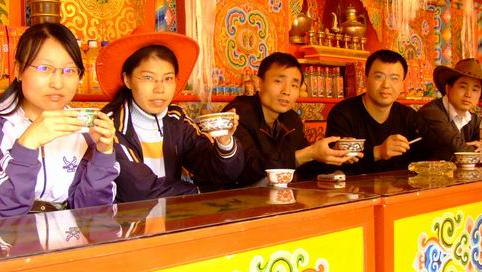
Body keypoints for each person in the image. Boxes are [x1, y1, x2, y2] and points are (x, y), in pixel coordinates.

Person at [0, 23, 119, 222]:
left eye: (69, 70)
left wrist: (103, 154)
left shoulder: (86, 131)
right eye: (44, 68)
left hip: (61, 233)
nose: (57, 83)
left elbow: (93, 213)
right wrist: (28, 144)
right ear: (19, 70)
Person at [98, 31, 244, 201]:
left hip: (172, 214)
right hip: (125, 217)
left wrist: (224, 143)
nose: (160, 89)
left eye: (168, 79)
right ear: (127, 80)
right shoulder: (109, 125)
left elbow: (218, 170)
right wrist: (200, 191)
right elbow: (140, 190)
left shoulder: (176, 119)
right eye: (148, 77)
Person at [223, 52, 351, 186]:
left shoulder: (291, 119)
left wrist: (333, 153)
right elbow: (248, 169)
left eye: (294, 85)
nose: (286, 91)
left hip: (278, 194)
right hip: (239, 195)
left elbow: (306, 167)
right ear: (259, 83)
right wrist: (305, 154)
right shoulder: (237, 115)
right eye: (278, 81)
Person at [326, 49, 430, 174]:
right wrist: (378, 152)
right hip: (354, 186)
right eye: (379, 77)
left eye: (394, 78)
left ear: (402, 84)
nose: (386, 85)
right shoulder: (343, 113)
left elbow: (431, 154)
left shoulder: (409, 117)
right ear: (366, 79)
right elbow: (335, 166)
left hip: (401, 186)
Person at [417, 58, 482, 160]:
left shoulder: (472, 119)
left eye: (475, 90)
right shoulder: (432, 113)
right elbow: (458, 149)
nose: (468, 94)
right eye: (463, 87)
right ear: (448, 89)